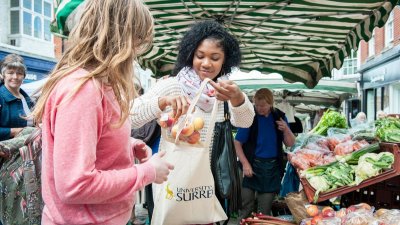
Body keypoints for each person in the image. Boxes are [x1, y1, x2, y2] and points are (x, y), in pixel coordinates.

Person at [31, 1, 173, 224]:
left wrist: (125, 145)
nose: (135, 55)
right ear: (120, 39)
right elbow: (75, 185)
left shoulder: (97, 85)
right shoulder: (84, 91)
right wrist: (147, 172)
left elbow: (91, 145)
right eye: (136, 43)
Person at [130, 20, 255, 224]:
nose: (206, 63)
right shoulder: (172, 86)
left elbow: (245, 121)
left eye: (215, 58)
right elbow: (131, 116)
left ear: (225, 61)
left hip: (206, 181)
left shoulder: (223, 91)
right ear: (190, 55)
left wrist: (238, 97)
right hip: (170, 176)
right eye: (200, 56)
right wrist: (162, 102)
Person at [234, 88, 296, 220]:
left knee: (264, 211)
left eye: (263, 105)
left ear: (271, 103)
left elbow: (290, 143)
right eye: (257, 105)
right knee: (246, 207)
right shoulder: (250, 117)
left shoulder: (279, 116)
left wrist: (286, 129)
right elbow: (237, 143)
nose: (259, 108)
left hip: (272, 169)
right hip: (251, 165)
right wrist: (245, 164)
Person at [0, 54, 34, 141]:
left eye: (19, 73)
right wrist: (14, 131)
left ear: (24, 76)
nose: (15, 77)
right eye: (10, 73)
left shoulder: (28, 100)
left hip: (25, 151)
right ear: (2, 75)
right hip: (5, 152)